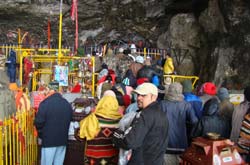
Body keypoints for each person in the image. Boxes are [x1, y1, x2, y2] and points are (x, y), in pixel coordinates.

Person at [112, 83, 168, 165]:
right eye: (138, 95)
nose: (139, 98)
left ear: (153, 97)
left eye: (143, 95)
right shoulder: (162, 114)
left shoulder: (145, 115)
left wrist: (116, 134)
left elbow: (130, 142)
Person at [77, 90, 122, 164]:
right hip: (112, 159)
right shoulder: (120, 120)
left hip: (93, 159)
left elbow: (79, 136)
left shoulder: (93, 118)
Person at [161, 82, 198, 165]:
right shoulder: (186, 105)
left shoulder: (162, 104)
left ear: (169, 91)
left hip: (165, 145)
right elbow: (194, 121)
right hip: (181, 144)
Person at [34, 89, 73, 165]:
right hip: (62, 140)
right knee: (59, 162)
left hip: (48, 140)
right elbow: (70, 118)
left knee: (47, 162)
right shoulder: (67, 104)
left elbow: (38, 122)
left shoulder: (45, 104)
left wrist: (41, 134)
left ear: (50, 93)